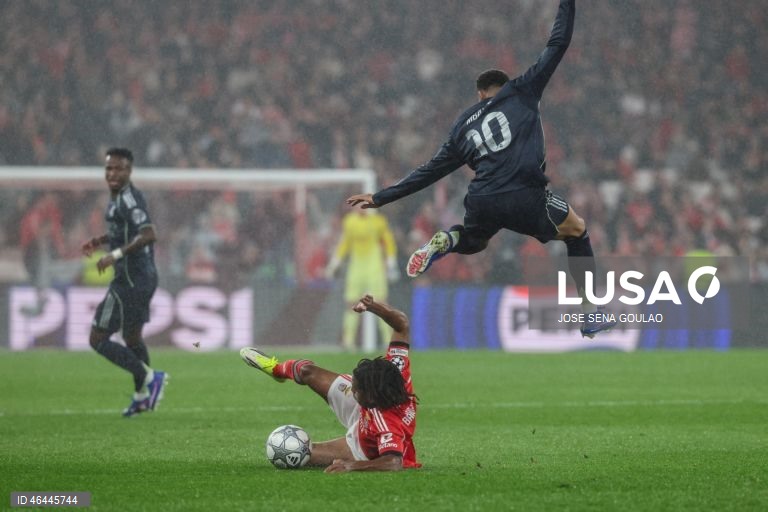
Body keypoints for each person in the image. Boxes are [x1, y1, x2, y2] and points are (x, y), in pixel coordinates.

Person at [346, 0, 615, 338]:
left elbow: (430, 170)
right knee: (577, 230)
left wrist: (381, 197)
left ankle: (447, 239)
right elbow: (558, 43)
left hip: (483, 197)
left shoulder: (462, 125)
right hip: (523, 193)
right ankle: (590, 311)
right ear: (503, 86)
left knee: (474, 240)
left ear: (480, 94)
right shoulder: (523, 90)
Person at [240, 294, 420, 472]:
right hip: (365, 409)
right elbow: (402, 324)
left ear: (370, 397)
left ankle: (318, 453)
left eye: (356, 389)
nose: (352, 389)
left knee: (298, 453)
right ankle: (277, 371)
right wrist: (374, 307)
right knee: (306, 371)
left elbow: (393, 462)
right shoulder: (396, 368)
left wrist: (353, 466)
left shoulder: (386, 422)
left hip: (361, 446)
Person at [81, 148, 167, 417]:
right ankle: (143, 396)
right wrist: (101, 240)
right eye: (109, 169)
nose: (112, 174)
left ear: (129, 171)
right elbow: (123, 230)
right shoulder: (118, 198)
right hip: (143, 278)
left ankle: (150, 376)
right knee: (131, 337)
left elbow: (149, 233)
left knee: (97, 339)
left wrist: (114, 254)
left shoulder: (129, 198)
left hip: (130, 280)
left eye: (118, 169)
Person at [325, 209, 399, 350]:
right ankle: (348, 342)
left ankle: (388, 340)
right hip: (357, 266)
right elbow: (345, 243)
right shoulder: (350, 221)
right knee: (351, 303)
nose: (360, 208)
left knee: (380, 303)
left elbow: (387, 241)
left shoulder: (378, 221)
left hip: (374, 265)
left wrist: (391, 263)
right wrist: (334, 263)